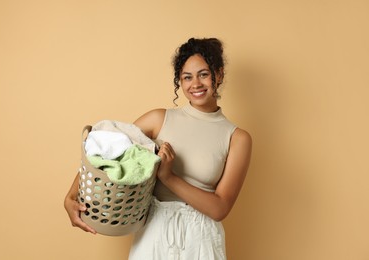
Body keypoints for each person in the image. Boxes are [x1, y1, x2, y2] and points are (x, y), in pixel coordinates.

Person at [64, 37, 252, 260]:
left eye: (204, 74)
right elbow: (106, 151)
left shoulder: (237, 138)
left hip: (201, 238)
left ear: (218, 74)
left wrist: (169, 177)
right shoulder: (158, 119)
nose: (196, 84)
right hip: (154, 230)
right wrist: (71, 196)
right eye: (187, 77)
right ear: (179, 81)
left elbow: (220, 208)